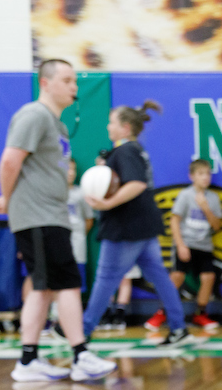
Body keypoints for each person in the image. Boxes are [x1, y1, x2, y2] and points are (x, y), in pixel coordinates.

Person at [0, 58, 117, 383]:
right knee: (66, 285)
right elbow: (9, 161)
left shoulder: (58, 125)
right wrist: (8, 199)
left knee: (45, 288)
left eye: (75, 81)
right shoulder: (33, 115)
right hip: (39, 216)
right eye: (67, 80)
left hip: (51, 215)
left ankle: (28, 360)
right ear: (46, 83)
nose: (74, 87)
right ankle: (80, 354)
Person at [81, 101, 191, 345]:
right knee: (160, 277)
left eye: (111, 122)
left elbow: (136, 184)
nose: (108, 127)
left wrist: (107, 203)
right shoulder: (135, 149)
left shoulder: (125, 151)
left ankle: (82, 331)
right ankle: (178, 327)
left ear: (125, 127)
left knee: (106, 277)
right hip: (144, 225)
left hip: (126, 228)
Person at [145, 158, 222, 332]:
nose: (205, 177)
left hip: (205, 245)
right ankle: (162, 312)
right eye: (201, 174)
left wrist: (205, 208)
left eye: (208, 174)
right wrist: (180, 245)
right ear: (191, 176)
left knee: (208, 277)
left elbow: (217, 225)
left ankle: (200, 313)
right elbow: (174, 221)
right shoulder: (185, 195)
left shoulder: (213, 198)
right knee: (177, 276)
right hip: (186, 243)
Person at [65, 158, 95, 293]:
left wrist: (80, 234)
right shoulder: (52, 193)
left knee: (77, 275)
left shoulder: (81, 193)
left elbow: (89, 219)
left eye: (73, 169)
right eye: (68, 169)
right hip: (58, 240)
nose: (71, 173)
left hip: (77, 241)